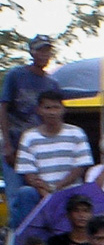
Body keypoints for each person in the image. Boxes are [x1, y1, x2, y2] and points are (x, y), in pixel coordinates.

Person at [11, 89, 92, 222]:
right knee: (25, 193)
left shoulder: (77, 133)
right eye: (47, 108)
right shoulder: (29, 136)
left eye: (56, 107)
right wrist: (46, 195)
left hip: (70, 192)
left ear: (63, 109)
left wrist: (55, 189)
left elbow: (79, 168)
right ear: (39, 110)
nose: (52, 112)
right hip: (40, 192)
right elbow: (28, 173)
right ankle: (28, 233)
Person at [1, 35, 58, 222]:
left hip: (38, 150)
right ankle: (15, 236)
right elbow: (3, 107)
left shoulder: (52, 84)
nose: (43, 54)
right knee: (16, 196)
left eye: (47, 50)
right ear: (31, 52)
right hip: (14, 145)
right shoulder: (16, 75)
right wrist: (7, 144)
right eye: (40, 50)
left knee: (36, 195)